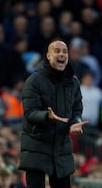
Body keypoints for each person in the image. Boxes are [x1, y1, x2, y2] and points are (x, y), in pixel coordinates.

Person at [18, 40, 88, 188]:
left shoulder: (73, 82)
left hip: (61, 146)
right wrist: (47, 116)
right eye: (57, 51)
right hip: (36, 145)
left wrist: (75, 122)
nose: (61, 54)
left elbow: (76, 109)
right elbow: (30, 113)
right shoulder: (34, 81)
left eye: (65, 51)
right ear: (48, 56)